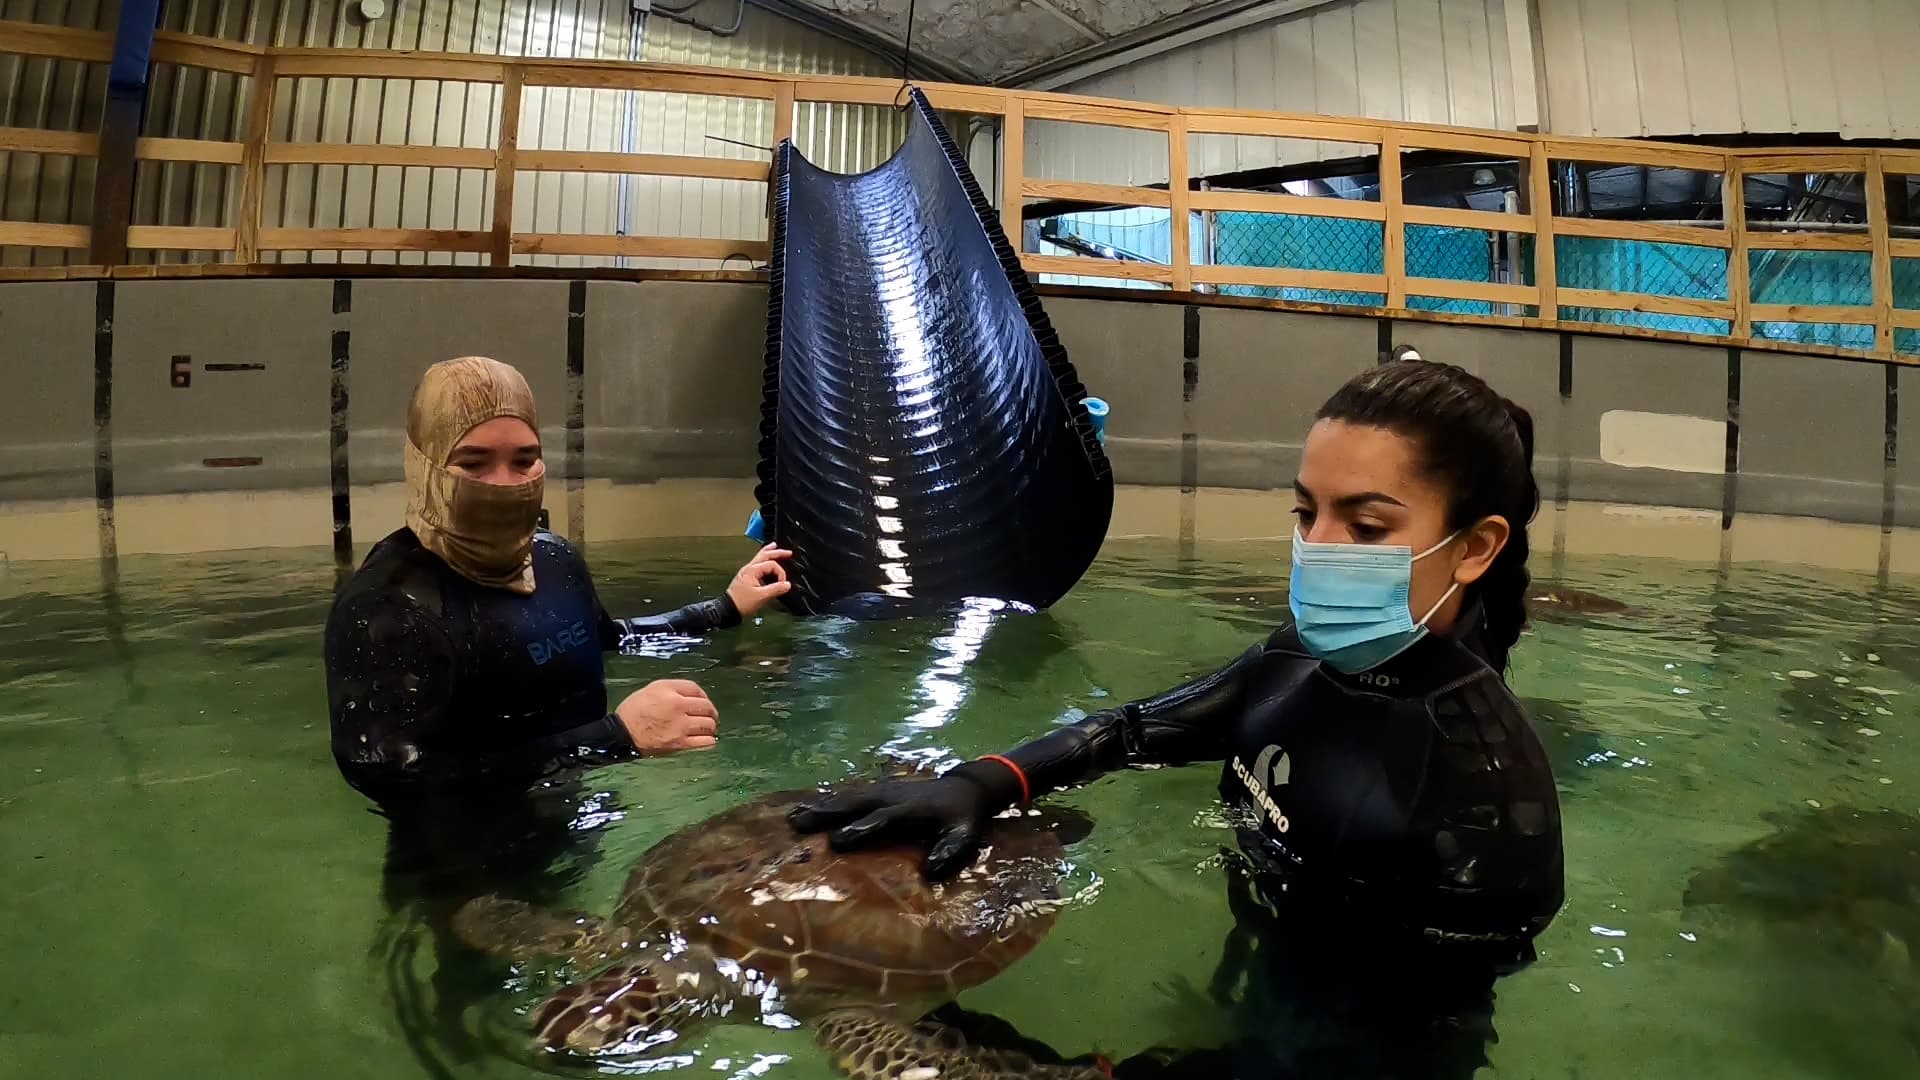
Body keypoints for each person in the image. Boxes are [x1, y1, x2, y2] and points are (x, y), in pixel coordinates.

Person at [790, 358, 1565, 1078]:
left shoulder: (1484, 785)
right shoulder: (1297, 660)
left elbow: (1424, 1027)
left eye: (1365, 528)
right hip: (1257, 969)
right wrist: (985, 781)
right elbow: (1132, 732)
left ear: (1474, 548)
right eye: (1306, 513)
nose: (1318, 549)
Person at [324, 354, 793, 805]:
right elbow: (397, 779)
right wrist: (614, 737)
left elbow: (613, 639)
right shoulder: (389, 606)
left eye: (524, 461)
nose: (505, 484)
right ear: (424, 467)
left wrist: (725, 608)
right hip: (463, 874)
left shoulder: (553, 559)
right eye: (473, 464)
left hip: (579, 827)